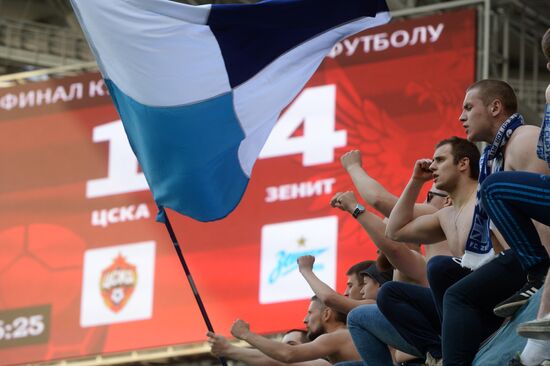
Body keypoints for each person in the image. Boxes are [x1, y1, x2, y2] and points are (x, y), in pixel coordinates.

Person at [480, 28, 550, 366]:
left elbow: (547, 153)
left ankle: (538, 273)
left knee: (494, 187)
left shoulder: (522, 138)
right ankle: (537, 276)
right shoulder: (494, 157)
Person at [383, 136, 481, 365]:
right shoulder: (445, 215)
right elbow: (394, 231)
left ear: (463, 164)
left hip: (494, 287)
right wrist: (415, 181)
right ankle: (438, 352)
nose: (432, 166)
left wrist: (356, 208)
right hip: (459, 303)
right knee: (390, 293)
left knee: (439, 267)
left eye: (440, 159)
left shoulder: (485, 193)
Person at [229, 296, 361, 364]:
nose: (305, 319)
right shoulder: (345, 336)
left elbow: (287, 355)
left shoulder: (336, 337)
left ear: (326, 314)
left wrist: (245, 335)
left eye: (310, 313)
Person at [207, 328, 331, 366]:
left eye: (291, 346)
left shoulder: (322, 364)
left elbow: (278, 359)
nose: (281, 351)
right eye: (281, 346)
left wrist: (228, 349)